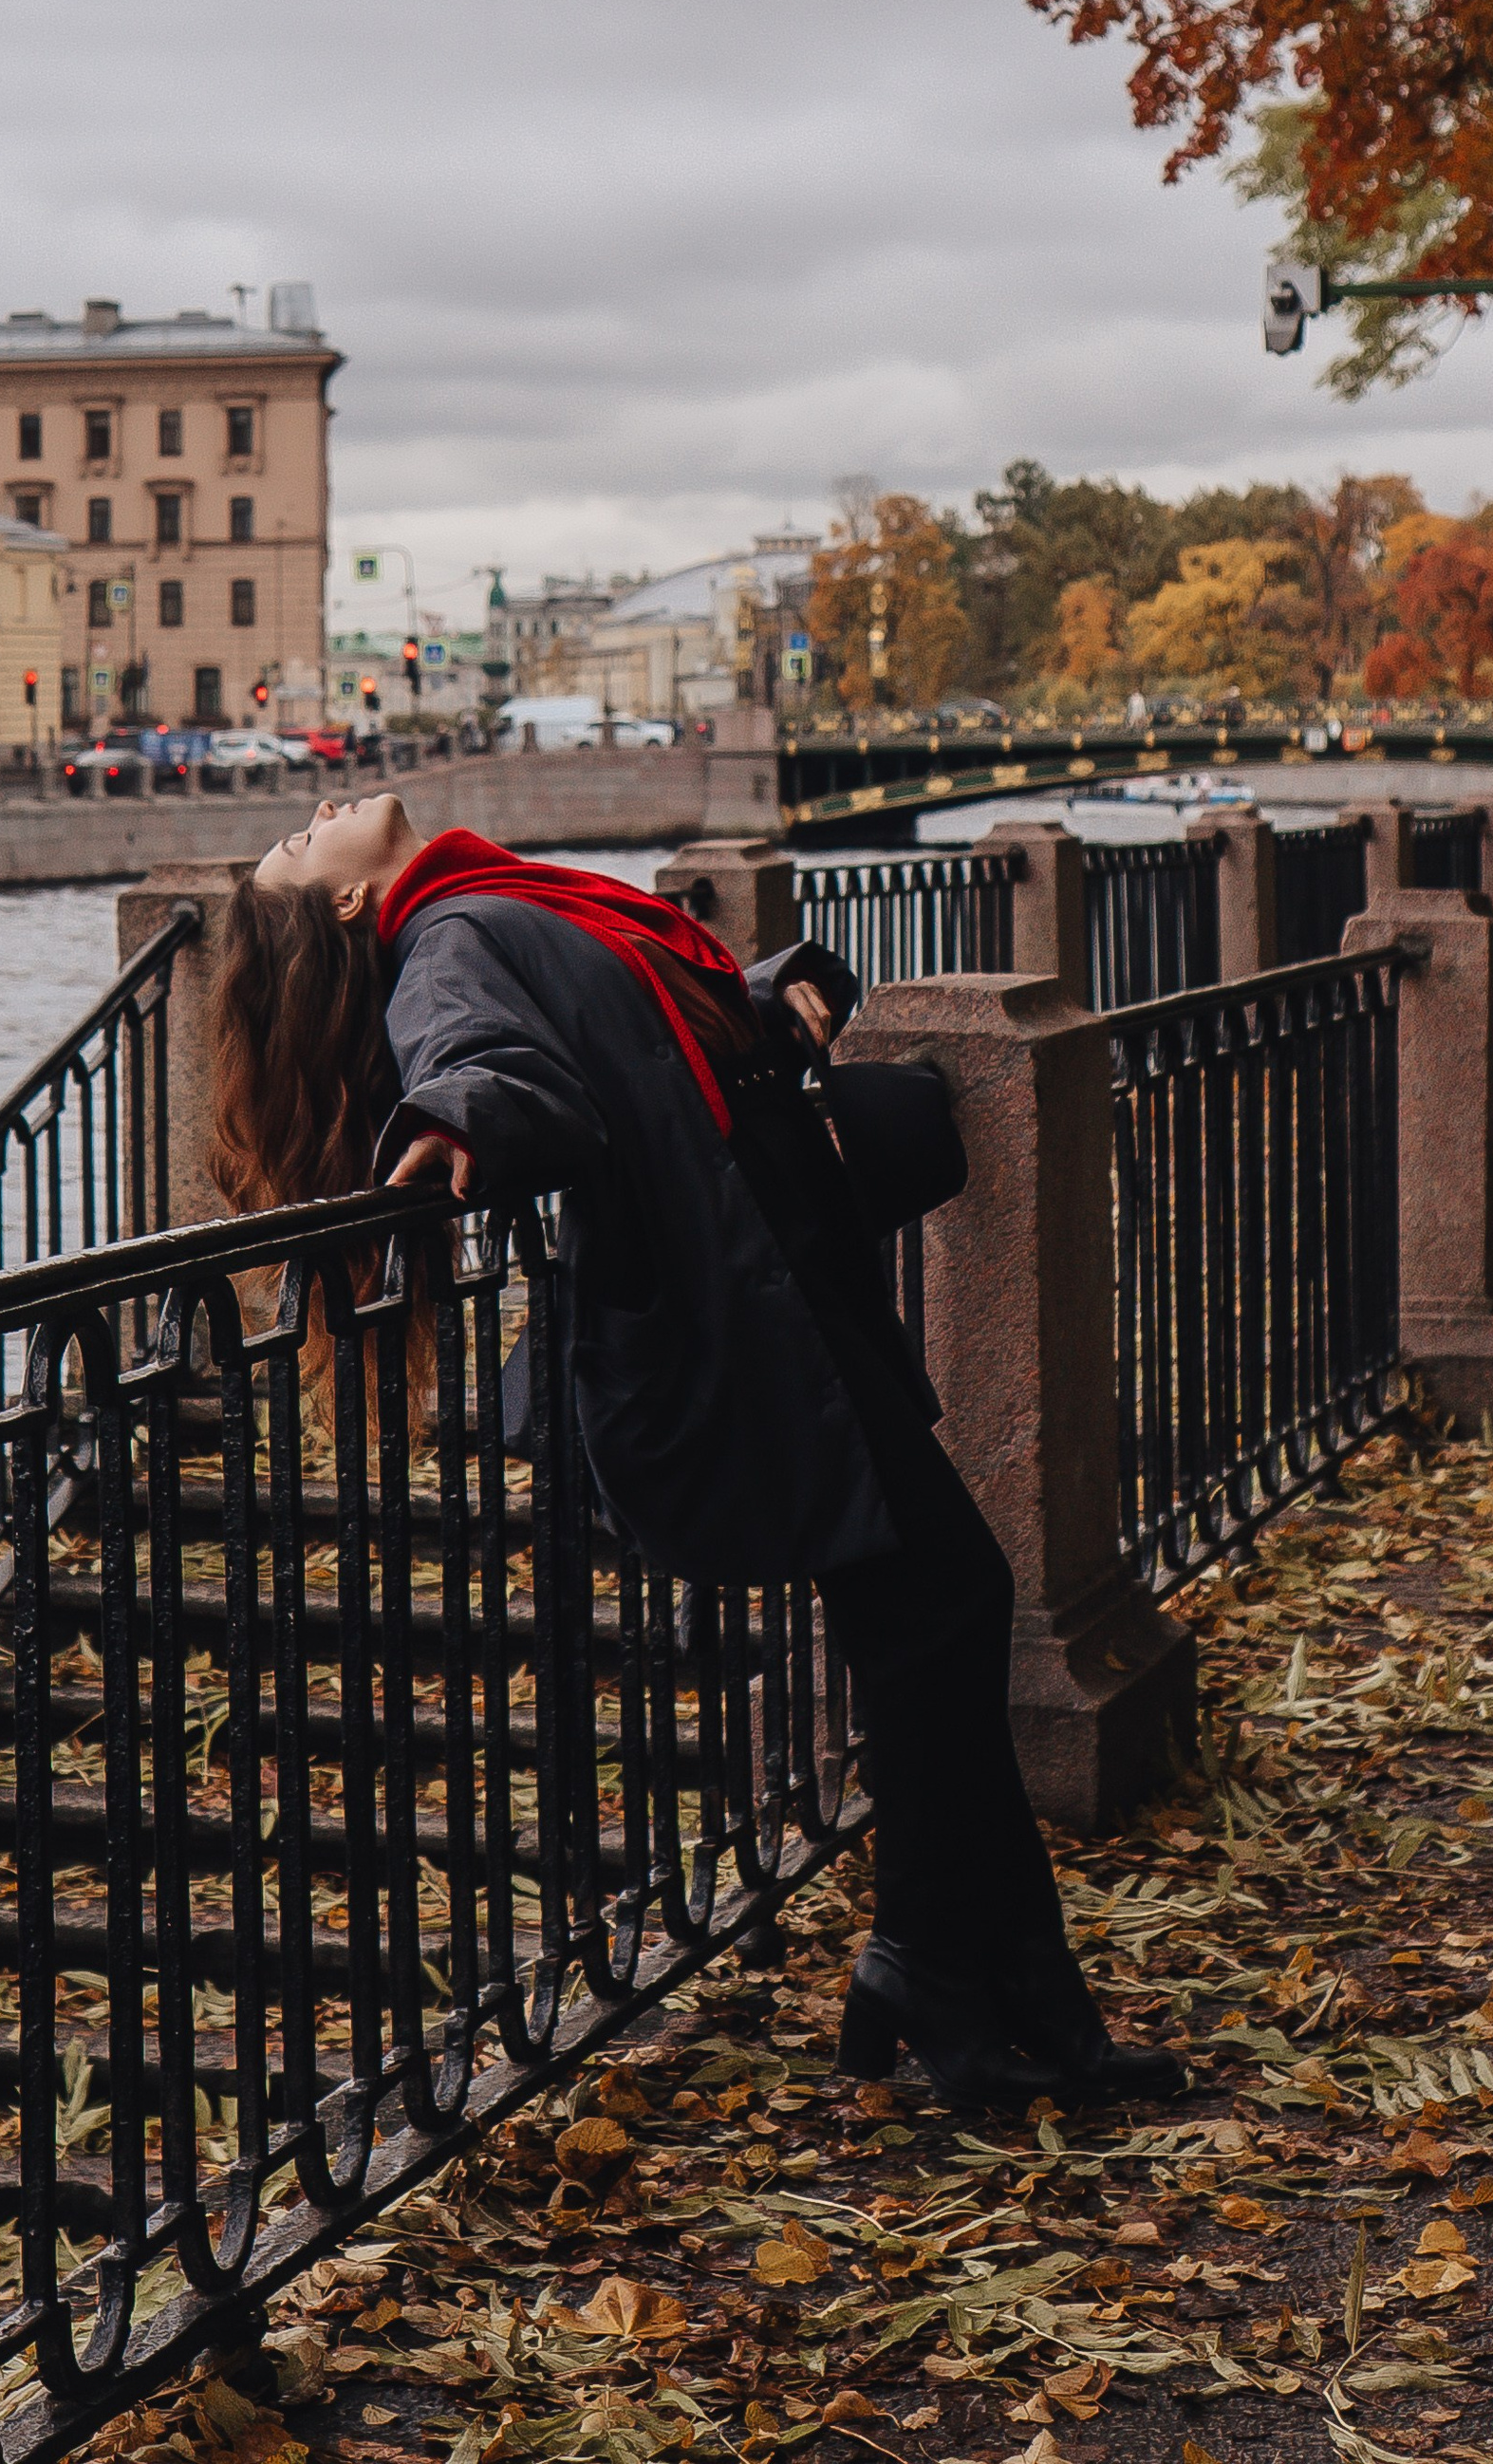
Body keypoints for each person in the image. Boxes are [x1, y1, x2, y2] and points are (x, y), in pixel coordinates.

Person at [206, 793, 1182, 2114]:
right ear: (337, 904)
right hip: (747, 1324)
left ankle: (979, 1987)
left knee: (940, 1615)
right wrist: (453, 1126)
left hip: (791, 1292)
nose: (312, 812)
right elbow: (494, 1061)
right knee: (944, 1606)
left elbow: (639, 1026)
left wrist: (777, 993)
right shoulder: (448, 939)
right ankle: (969, 1987)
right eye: (293, 841)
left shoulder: (509, 898)